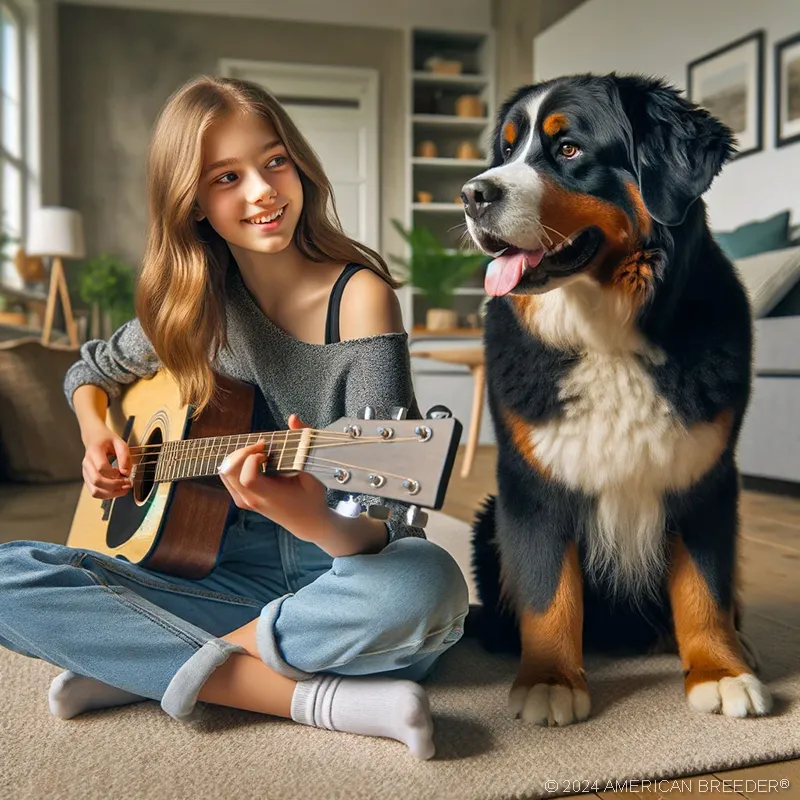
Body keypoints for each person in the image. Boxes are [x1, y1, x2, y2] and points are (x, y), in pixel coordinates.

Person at [0, 76, 468, 760]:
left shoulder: (360, 299)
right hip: (214, 573)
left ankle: (141, 667)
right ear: (193, 204)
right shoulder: (197, 305)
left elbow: (388, 521)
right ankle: (307, 694)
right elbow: (89, 370)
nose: (262, 191)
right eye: (227, 177)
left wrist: (309, 516)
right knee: (10, 577)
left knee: (428, 584)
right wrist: (96, 431)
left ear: (298, 164)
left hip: (331, 578)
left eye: (273, 161)